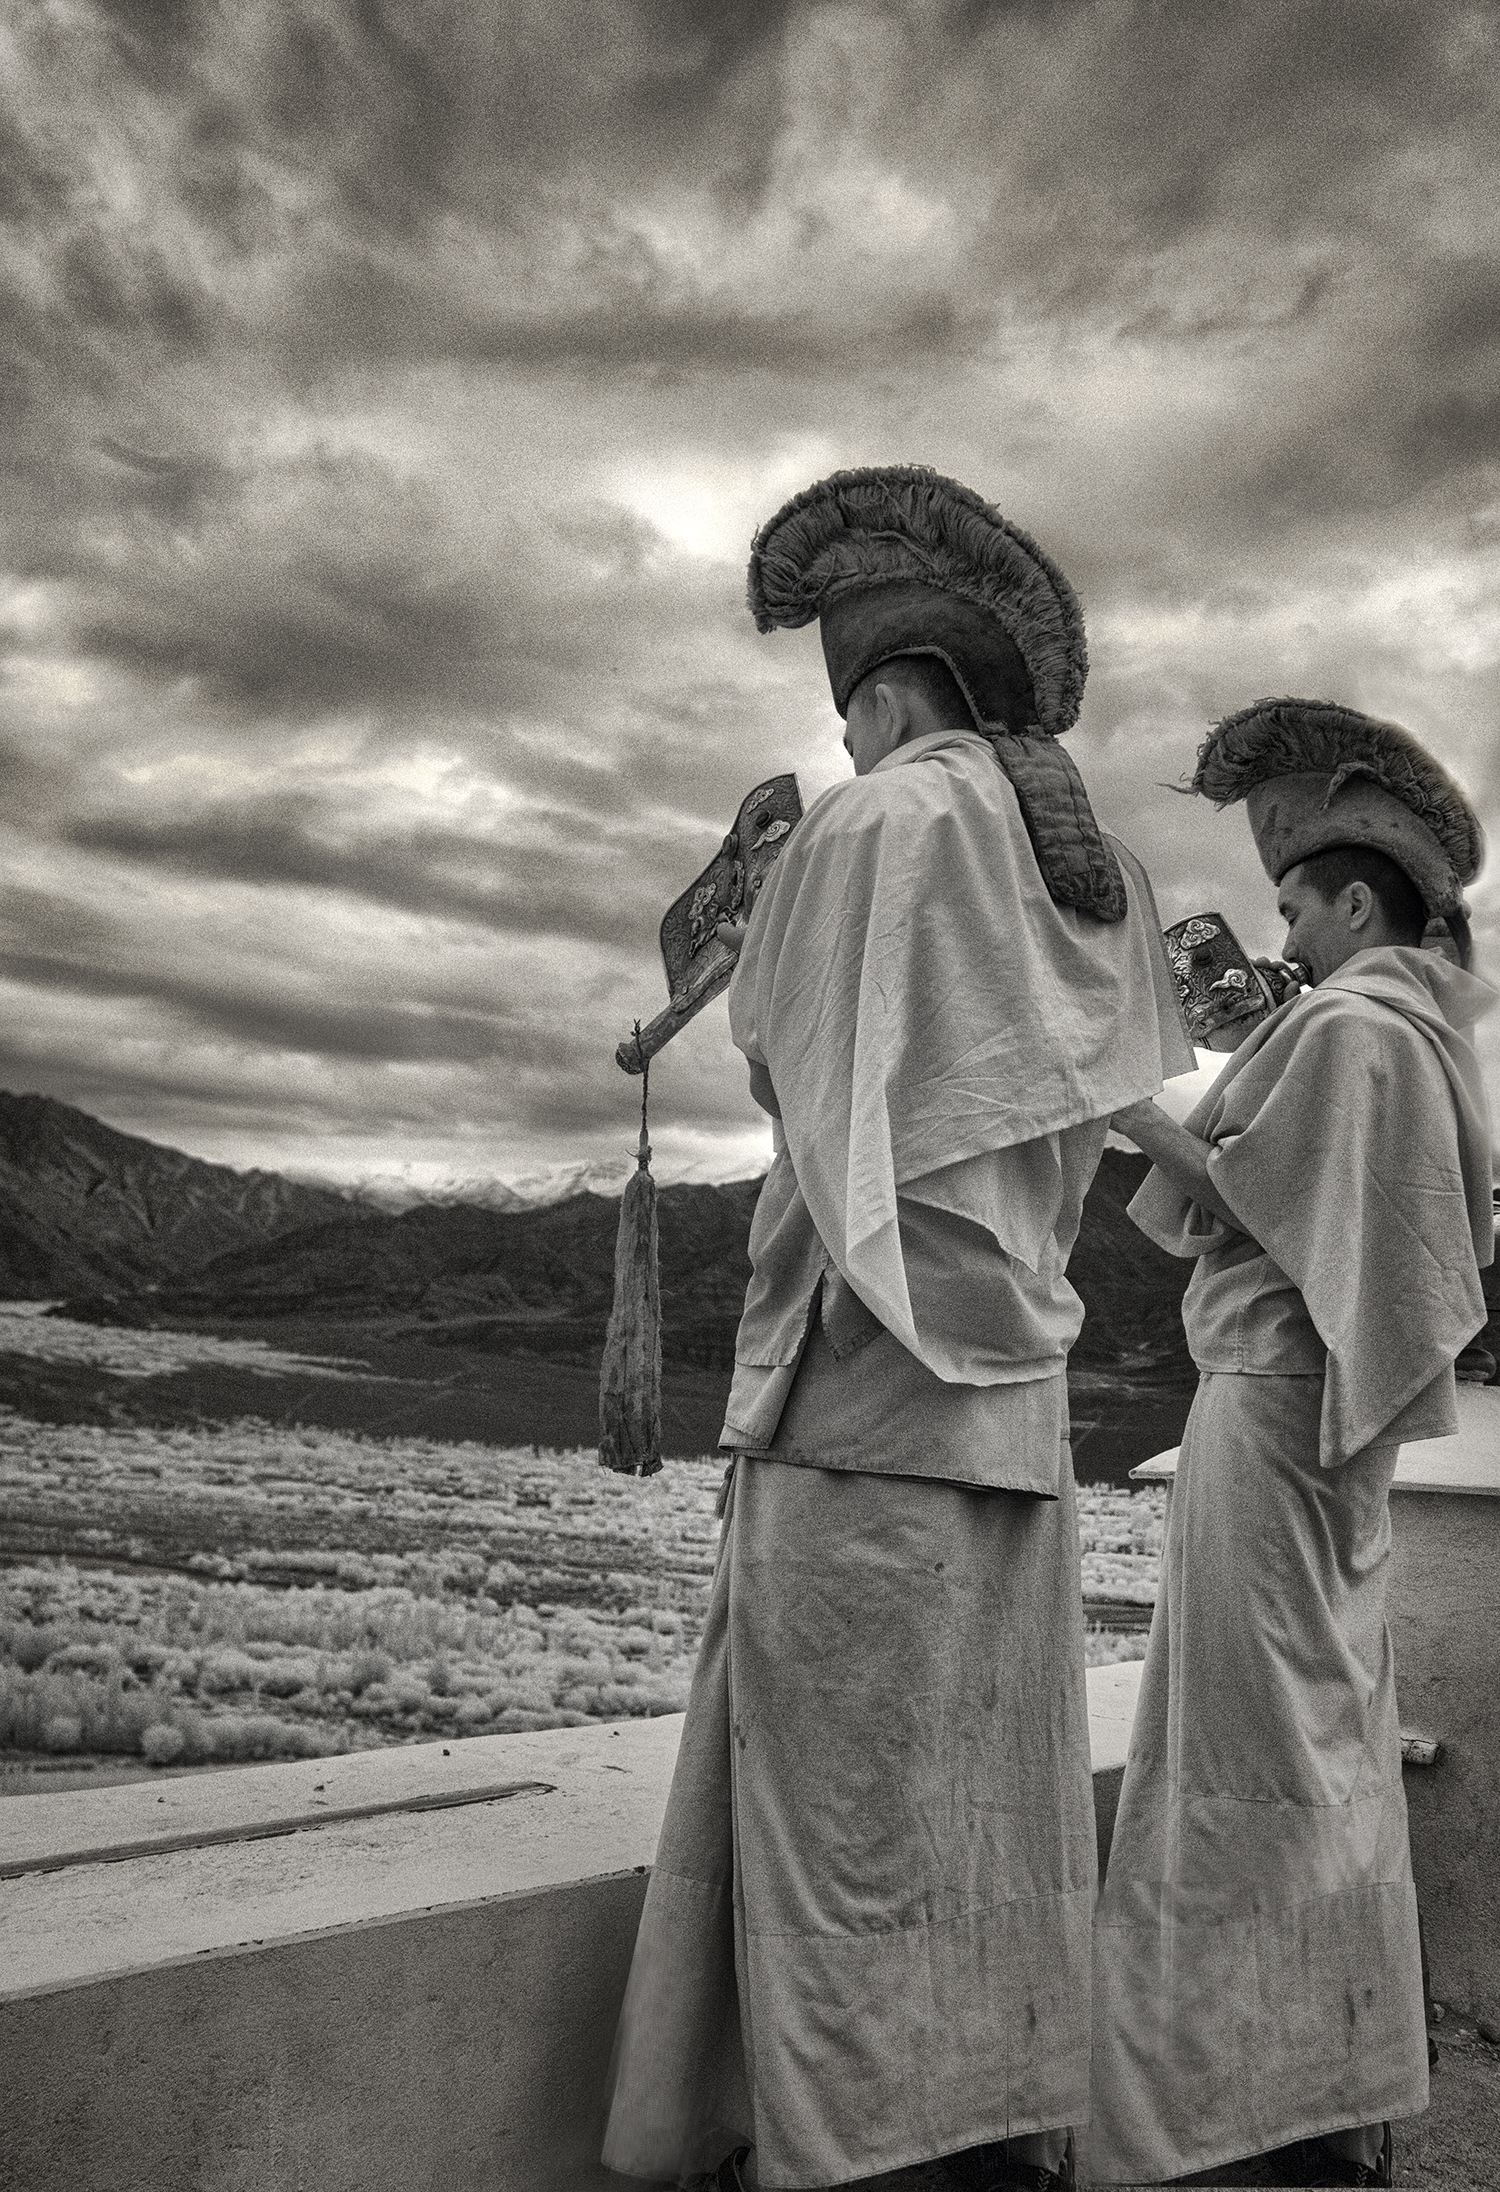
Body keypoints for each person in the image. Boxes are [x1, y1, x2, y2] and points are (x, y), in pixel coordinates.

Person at [601, 466, 1192, 2192]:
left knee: (839, 1837)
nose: (847, 745)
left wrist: (779, 900)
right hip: (1013, 1414)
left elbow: (792, 1065)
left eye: (850, 714)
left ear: (892, 693)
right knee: (981, 1824)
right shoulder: (1112, 888)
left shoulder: (879, 828)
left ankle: (844, 2153)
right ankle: (979, 2133)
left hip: (859, 1407)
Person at [1086, 698, 1494, 2189]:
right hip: (1330, 1438)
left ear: (1360, 900)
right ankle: (1311, 2085)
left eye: (1299, 905)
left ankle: (1234, 2104)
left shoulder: (1355, 1031)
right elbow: (1352, 1219)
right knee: (1312, 1743)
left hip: (1271, 1418)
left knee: (1243, 1751)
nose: (1288, 936)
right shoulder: (1419, 1045)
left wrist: (1123, 1088)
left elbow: (1255, 1199)